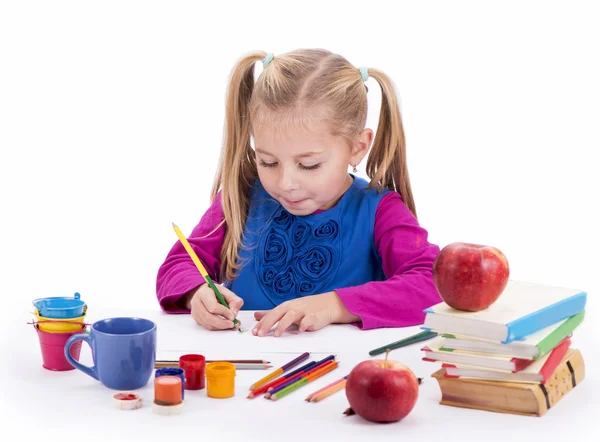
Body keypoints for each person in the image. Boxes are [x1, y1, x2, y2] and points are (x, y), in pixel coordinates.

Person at [156, 48, 441, 337]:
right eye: (268, 161)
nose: (286, 182)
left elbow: (432, 284)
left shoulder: (381, 211)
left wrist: (334, 305)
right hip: (243, 371)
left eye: (309, 165)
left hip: (340, 372)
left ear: (357, 147)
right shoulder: (241, 197)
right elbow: (179, 266)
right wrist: (197, 293)